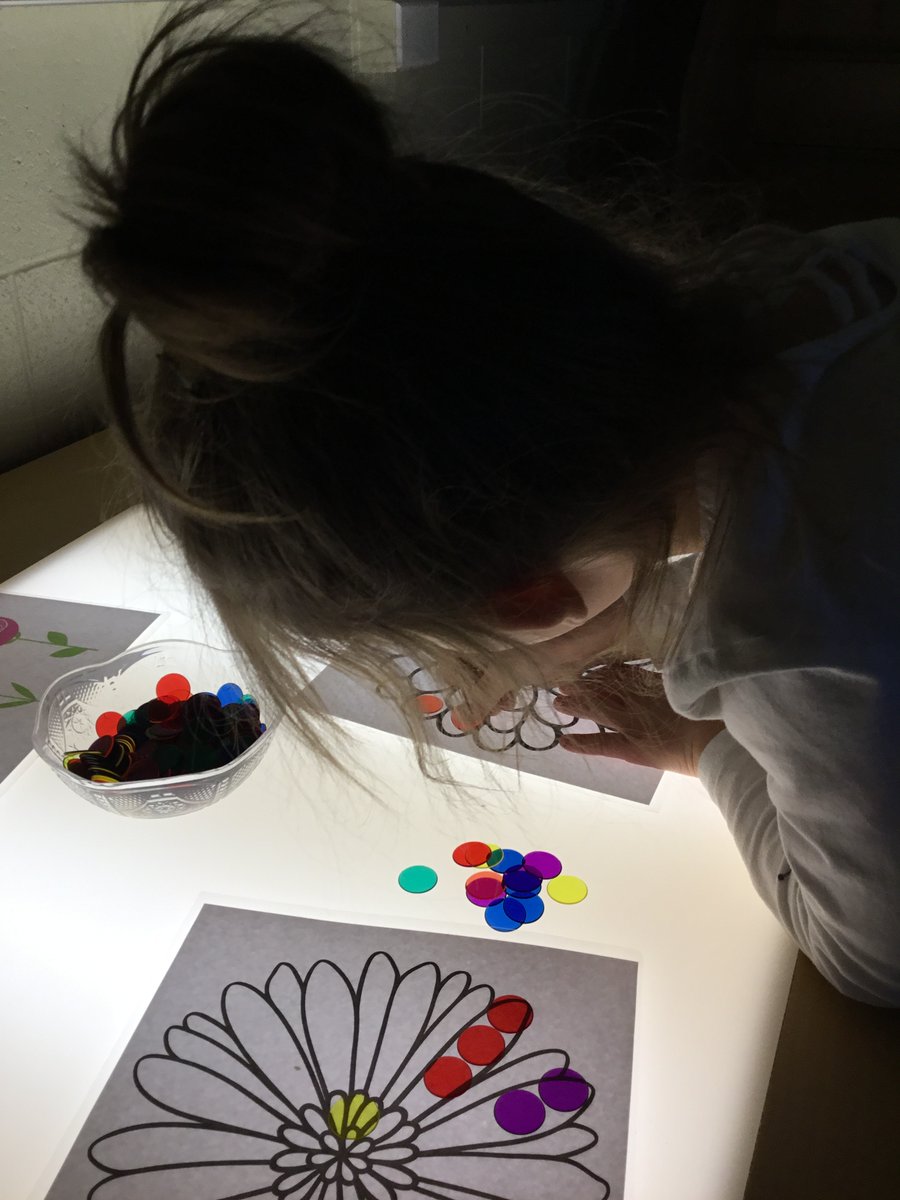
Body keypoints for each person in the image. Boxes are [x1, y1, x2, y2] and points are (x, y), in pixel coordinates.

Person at [65, 1, 899, 1005]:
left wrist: (701, 742)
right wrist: (636, 612)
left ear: (533, 602)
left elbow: (871, 958)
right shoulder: (790, 287)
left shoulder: (793, 629)